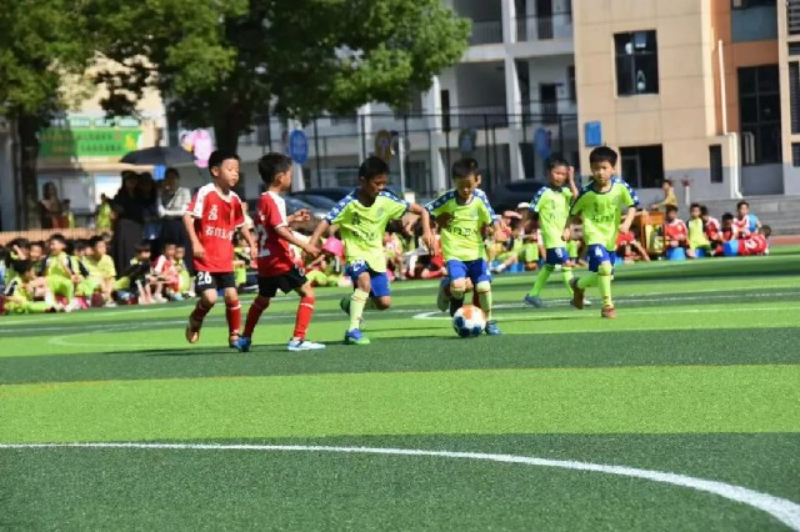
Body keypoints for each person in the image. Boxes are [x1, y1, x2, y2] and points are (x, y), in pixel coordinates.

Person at [309, 156, 434, 345]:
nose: (381, 187)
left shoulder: (386, 199)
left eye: (384, 183)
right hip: (355, 255)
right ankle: (353, 330)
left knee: (384, 303)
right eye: (377, 183)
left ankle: (351, 304)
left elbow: (422, 210)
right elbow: (326, 220)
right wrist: (312, 243)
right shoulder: (349, 203)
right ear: (363, 181)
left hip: (376, 257)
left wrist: (427, 232)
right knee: (364, 283)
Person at [234, 153, 326, 352]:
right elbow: (279, 230)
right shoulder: (275, 200)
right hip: (279, 259)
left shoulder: (263, 199)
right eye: (289, 174)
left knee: (262, 299)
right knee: (308, 294)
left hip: (265, 260)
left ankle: (245, 338)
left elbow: (270, 225)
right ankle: (298, 339)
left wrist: (292, 218)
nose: (290, 178)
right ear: (279, 177)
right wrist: (305, 245)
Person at [184, 150, 257, 348]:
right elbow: (188, 216)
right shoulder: (206, 192)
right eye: (230, 169)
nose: (235, 174)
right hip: (205, 258)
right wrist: (195, 242)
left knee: (232, 295)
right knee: (210, 298)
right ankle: (195, 319)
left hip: (224, 258)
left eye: (237, 170)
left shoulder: (234, 199)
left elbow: (241, 224)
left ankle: (234, 335)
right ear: (216, 171)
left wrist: (251, 243)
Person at [426, 158, 505, 335]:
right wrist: (429, 232)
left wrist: (497, 230)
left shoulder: (480, 198)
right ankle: (454, 297)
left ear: (478, 180)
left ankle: (489, 321)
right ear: (454, 182)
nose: (465, 190)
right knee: (459, 286)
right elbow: (427, 211)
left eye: (469, 185)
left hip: (476, 252)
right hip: (454, 253)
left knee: (483, 287)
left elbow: (491, 218)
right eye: (461, 186)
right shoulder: (448, 199)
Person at [566, 146, 639, 318]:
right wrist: (566, 229)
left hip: (611, 237)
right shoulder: (586, 192)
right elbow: (573, 212)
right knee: (605, 269)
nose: (600, 172)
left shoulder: (620, 187)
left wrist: (627, 222)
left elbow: (632, 205)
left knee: (606, 275)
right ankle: (608, 306)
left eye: (604, 168)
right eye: (596, 168)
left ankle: (578, 285)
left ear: (613, 169)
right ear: (591, 169)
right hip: (593, 236)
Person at [523, 158, 580, 308]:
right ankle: (576, 297)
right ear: (548, 173)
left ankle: (533, 294)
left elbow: (577, 199)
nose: (560, 177)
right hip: (552, 236)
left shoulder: (565, 192)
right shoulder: (544, 193)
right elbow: (531, 210)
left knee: (549, 266)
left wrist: (572, 180)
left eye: (563, 174)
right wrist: (519, 228)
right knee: (566, 264)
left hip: (562, 237)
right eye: (557, 173)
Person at [157, 167, 193, 269]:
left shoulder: (184, 192)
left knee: (181, 250)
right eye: (168, 178)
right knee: (167, 251)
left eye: (173, 178)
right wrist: (159, 194)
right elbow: (160, 212)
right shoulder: (163, 193)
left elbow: (183, 212)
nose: (170, 180)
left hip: (180, 225)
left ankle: (184, 270)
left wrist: (167, 212)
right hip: (167, 225)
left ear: (177, 179)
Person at [111, 171, 147, 273]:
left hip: (137, 228)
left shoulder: (140, 195)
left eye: (134, 179)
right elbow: (114, 215)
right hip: (124, 228)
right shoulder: (120, 196)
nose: (132, 182)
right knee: (124, 252)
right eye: (130, 180)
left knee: (137, 251)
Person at [84, 236, 117, 306]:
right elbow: (88, 275)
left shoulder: (108, 259)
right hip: (93, 283)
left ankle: (107, 297)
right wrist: (101, 279)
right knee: (100, 280)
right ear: (93, 249)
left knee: (112, 280)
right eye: (100, 247)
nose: (103, 249)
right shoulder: (86, 260)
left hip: (106, 283)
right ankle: (108, 300)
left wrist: (105, 282)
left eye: (104, 246)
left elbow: (111, 275)